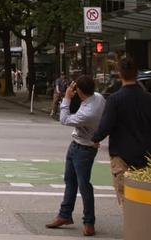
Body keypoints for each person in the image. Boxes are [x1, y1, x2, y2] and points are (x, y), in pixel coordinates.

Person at [92, 57, 151, 204]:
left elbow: (106, 125)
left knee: (125, 197)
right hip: (149, 156)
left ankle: (132, 225)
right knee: (147, 197)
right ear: (137, 74)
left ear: (120, 74)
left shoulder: (115, 99)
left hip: (122, 155)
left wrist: (95, 138)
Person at [45, 75, 105, 237]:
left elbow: (64, 119)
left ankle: (89, 222)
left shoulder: (88, 112)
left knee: (83, 185)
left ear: (78, 90)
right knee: (70, 180)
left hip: (84, 149)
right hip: (77, 145)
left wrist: (66, 98)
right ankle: (65, 215)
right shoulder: (98, 98)